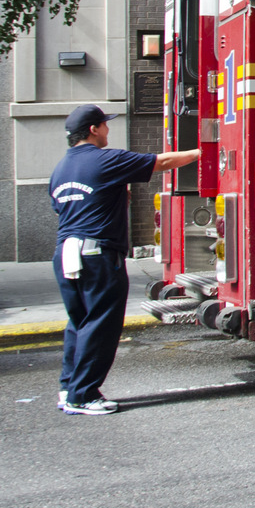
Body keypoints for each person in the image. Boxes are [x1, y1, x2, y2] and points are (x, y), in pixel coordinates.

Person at [50, 104, 198, 416]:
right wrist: (203, 152)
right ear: (93, 129)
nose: (107, 131)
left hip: (65, 252)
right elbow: (164, 162)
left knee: (79, 323)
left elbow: (67, 207)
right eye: (104, 125)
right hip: (97, 255)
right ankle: (84, 395)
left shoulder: (61, 169)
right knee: (101, 324)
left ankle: (69, 388)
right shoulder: (105, 158)